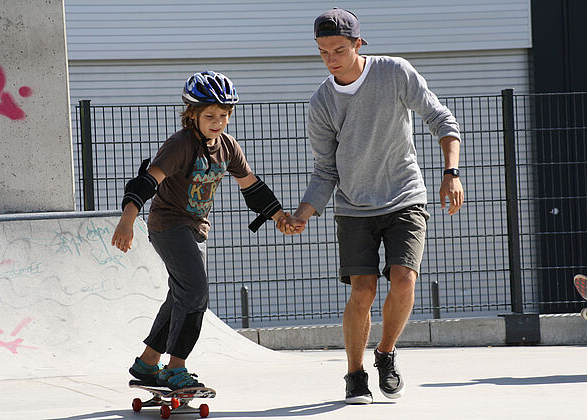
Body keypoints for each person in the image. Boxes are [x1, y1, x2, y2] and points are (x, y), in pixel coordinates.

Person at [278, 8, 464, 404]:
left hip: (404, 195)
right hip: (354, 205)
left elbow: (442, 120)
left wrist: (451, 173)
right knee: (362, 292)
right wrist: (303, 215)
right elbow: (325, 170)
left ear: (359, 44)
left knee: (404, 280)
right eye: (323, 51)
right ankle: (354, 374)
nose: (331, 59)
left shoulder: (394, 73)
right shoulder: (321, 103)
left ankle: (385, 353)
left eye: (339, 50)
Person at [112, 71, 286, 390]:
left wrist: (278, 216)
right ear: (192, 114)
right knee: (195, 292)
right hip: (168, 224)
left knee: (180, 294)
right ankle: (175, 368)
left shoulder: (228, 148)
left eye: (223, 115)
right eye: (210, 116)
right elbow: (146, 181)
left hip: (196, 229)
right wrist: (128, 218)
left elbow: (252, 187)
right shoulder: (180, 145)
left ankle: (148, 363)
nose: (217, 122)